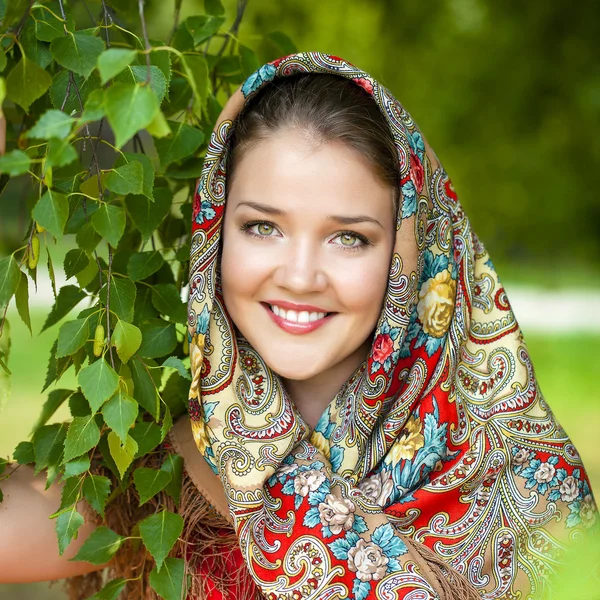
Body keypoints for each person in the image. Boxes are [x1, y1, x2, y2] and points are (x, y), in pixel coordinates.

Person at [0, 52, 596, 600]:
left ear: (412, 257)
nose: (301, 275)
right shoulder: (158, 484)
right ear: (214, 232)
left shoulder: (525, 485)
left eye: (348, 238)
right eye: (264, 227)